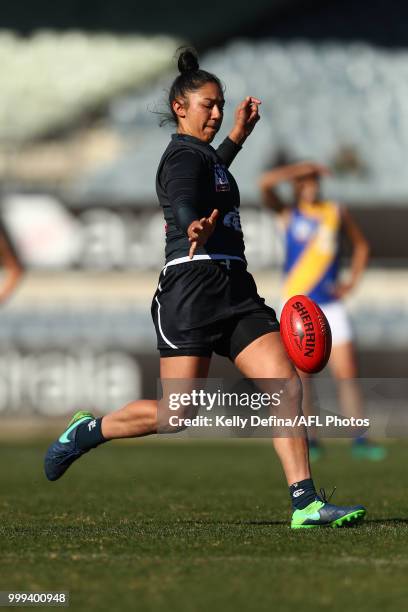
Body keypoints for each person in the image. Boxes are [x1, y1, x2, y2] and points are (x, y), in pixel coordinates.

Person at [44, 49, 366, 528]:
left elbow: (212, 168)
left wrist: (238, 135)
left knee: (285, 386)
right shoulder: (179, 157)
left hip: (235, 285)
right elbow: (181, 195)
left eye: (220, 105)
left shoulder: (204, 156)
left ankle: (306, 504)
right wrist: (189, 224)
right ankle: (89, 430)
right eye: (208, 106)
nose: (216, 113)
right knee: (178, 414)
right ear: (180, 108)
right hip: (191, 286)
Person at [259, 161, 386, 461]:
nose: (311, 184)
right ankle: (311, 440)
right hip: (298, 309)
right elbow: (265, 184)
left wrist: (350, 282)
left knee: (347, 374)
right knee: (303, 378)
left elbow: (361, 246)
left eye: (314, 179)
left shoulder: (334, 211)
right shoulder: (289, 214)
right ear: (297, 184)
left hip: (330, 305)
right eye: (306, 180)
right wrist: (298, 168)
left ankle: (359, 438)